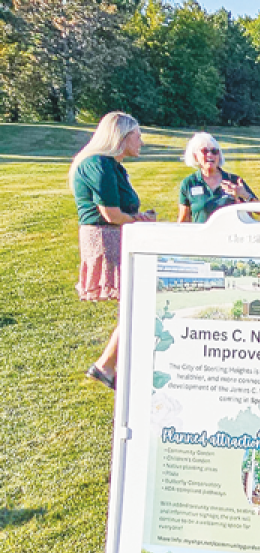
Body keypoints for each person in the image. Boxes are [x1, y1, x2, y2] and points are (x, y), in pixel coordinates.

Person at [69, 111, 156, 390]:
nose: (141, 141)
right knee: (135, 302)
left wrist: (138, 217)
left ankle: (109, 364)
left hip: (117, 234)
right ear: (121, 136)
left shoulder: (113, 166)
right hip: (107, 238)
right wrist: (139, 220)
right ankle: (106, 365)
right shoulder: (99, 164)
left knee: (135, 302)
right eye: (137, 135)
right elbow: (111, 213)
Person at [177, 133, 257, 224]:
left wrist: (244, 195)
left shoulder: (234, 181)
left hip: (230, 235)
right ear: (195, 156)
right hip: (201, 236)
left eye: (214, 151)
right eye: (204, 151)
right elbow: (183, 219)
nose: (210, 155)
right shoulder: (189, 183)